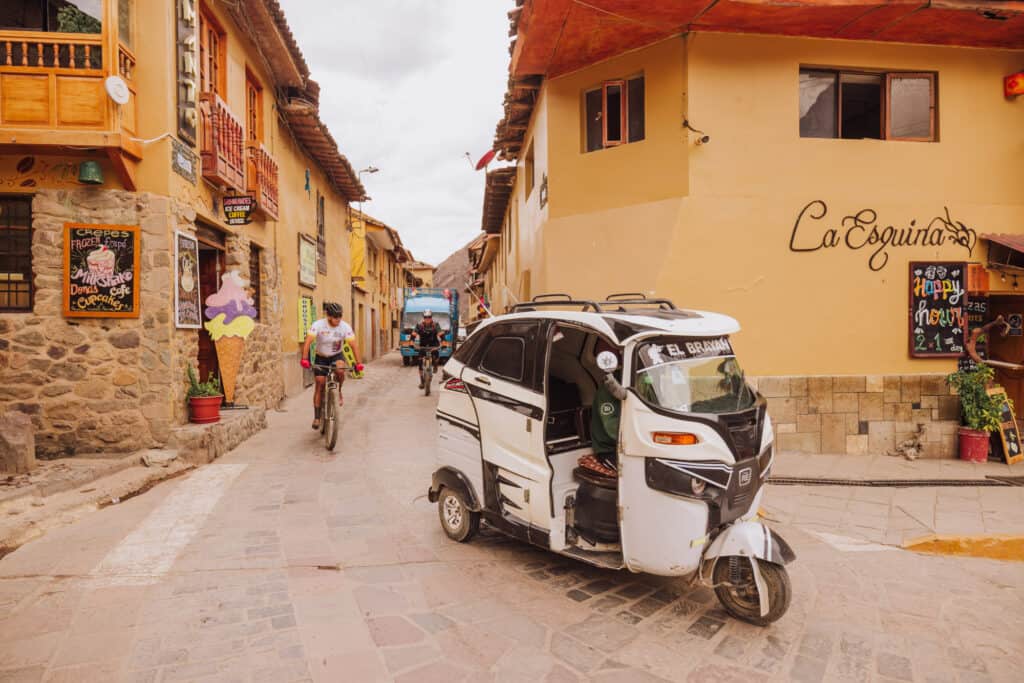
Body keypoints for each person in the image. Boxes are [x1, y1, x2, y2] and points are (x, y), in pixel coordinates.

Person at [300, 302, 364, 429]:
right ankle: (317, 417)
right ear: (328, 316)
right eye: (335, 317)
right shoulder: (318, 325)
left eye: (340, 316)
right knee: (320, 383)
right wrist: (305, 359)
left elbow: (353, 345)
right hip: (321, 357)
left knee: (340, 370)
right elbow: (308, 342)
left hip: (336, 355)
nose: (338, 319)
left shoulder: (345, 327)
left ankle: (338, 391)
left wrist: (358, 363)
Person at [588, 339, 622, 474]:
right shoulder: (608, 388)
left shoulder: (639, 380)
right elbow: (612, 428)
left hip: (628, 447)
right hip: (609, 450)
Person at [411, 310, 444, 389]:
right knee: (419, 363)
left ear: (431, 317)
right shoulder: (419, 325)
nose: (427, 319)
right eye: (426, 317)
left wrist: (444, 343)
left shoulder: (436, 325)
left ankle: (435, 365)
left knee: (436, 356)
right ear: (424, 318)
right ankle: (422, 381)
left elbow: (441, 335)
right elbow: (413, 335)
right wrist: (411, 343)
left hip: (434, 345)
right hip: (423, 345)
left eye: (429, 317)